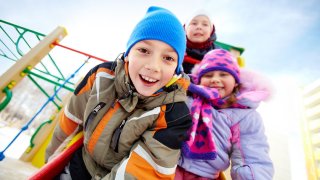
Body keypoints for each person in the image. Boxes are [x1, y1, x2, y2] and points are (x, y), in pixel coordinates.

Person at [45, 6, 192, 180]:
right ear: (128, 53)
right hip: (81, 165)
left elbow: (142, 173)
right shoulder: (101, 77)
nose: (153, 66)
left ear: (176, 69)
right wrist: (49, 165)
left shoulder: (173, 115)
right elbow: (69, 122)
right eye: (144, 51)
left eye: (168, 58)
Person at [175, 49, 274, 179]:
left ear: (236, 82)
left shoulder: (245, 115)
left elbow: (252, 156)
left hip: (206, 175)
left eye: (223, 74)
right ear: (198, 81)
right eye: (208, 75)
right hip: (170, 165)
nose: (215, 79)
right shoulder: (187, 98)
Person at [182, 10, 221, 74]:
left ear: (211, 31)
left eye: (205, 24)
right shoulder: (176, 49)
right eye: (194, 23)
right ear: (185, 30)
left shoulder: (219, 53)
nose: (199, 27)